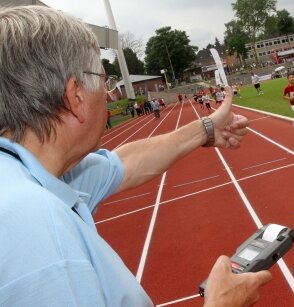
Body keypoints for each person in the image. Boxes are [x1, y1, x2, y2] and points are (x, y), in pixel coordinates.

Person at [0, 6, 272, 306]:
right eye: (104, 82)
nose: (108, 93)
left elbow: (123, 165)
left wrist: (206, 129)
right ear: (76, 96)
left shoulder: (29, 172)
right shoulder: (40, 234)